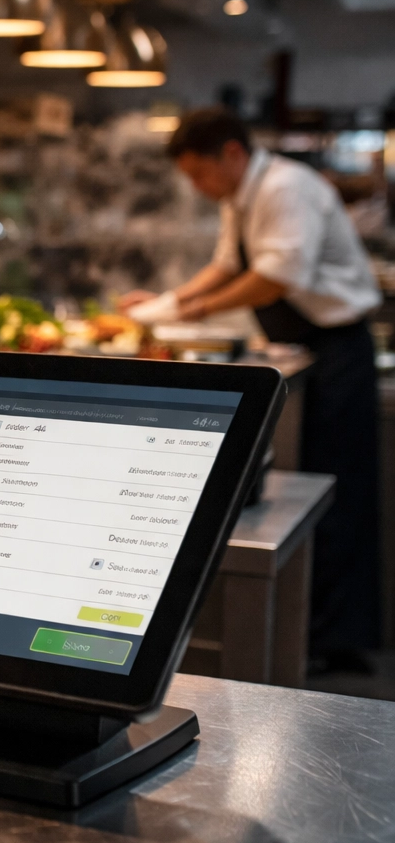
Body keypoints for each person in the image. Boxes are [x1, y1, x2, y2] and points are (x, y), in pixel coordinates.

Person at [122, 106, 382, 673]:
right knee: (304, 491)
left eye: (198, 173)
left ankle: (334, 643)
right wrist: (166, 306)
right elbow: (223, 266)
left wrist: (190, 313)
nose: (195, 186)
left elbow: (275, 278)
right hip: (303, 351)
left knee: (334, 494)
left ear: (232, 155)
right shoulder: (241, 196)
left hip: (337, 353)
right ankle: (308, 633)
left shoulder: (286, 187)